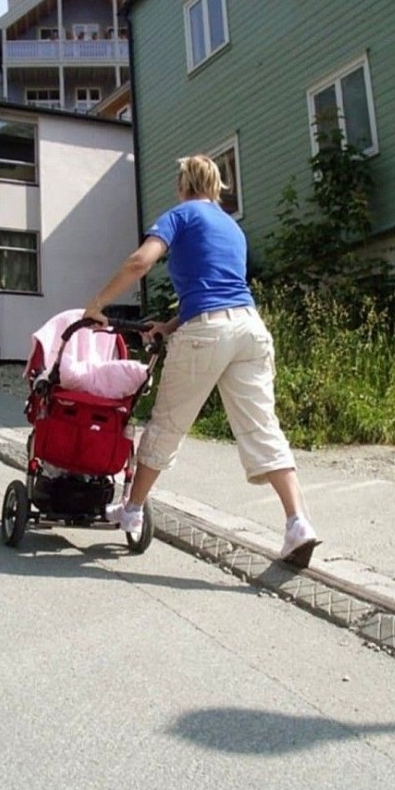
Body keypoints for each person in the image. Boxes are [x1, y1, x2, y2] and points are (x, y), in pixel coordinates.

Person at [83, 154, 320, 567]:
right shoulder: (232, 228)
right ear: (215, 187)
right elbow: (220, 291)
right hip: (250, 329)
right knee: (262, 428)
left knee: (167, 425)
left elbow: (140, 262)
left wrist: (97, 304)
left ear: (183, 185)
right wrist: (169, 326)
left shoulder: (180, 215)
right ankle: (297, 522)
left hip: (207, 335)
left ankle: (132, 509)